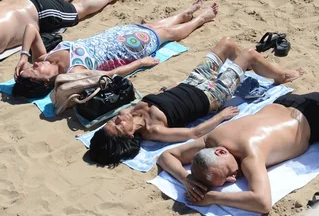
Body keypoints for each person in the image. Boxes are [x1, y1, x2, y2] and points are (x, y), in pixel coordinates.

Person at [157, 68, 319, 214]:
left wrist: (214, 198)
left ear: (221, 152)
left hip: (312, 123)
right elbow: (166, 156)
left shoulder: (250, 155)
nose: (234, 179)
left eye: (229, 174)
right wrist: (186, 178)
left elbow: (262, 203)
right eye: (229, 181)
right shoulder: (211, 140)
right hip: (288, 104)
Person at [88, 37, 305, 166]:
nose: (118, 118)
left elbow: (161, 97)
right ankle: (280, 75)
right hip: (213, 95)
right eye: (118, 125)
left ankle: (252, 65)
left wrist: (168, 90)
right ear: (128, 135)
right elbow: (194, 133)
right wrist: (221, 116)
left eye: (114, 120)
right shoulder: (154, 131)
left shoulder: (133, 110)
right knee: (248, 54)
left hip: (194, 81)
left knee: (227, 44)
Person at [12, 0, 222, 97]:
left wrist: (23, 57)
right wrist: (140, 63)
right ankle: (201, 19)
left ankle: (181, 15)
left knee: (149, 26)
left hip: (114, 35)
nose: (37, 62)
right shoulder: (74, 73)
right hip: (125, 50)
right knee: (165, 34)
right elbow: (109, 74)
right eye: (36, 69)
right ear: (47, 81)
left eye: (34, 64)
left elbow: (31, 27)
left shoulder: (44, 56)